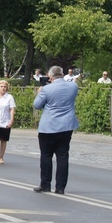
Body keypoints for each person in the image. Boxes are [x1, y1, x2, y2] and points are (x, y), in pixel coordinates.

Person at [33, 65, 79, 194]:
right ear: (62, 73)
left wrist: (39, 92)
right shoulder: (73, 86)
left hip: (49, 126)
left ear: (50, 75)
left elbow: (37, 105)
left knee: (46, 155)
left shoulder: (46, 89)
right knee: (63, 156)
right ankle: (60, 187)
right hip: (66, 125)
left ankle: (45, 184)